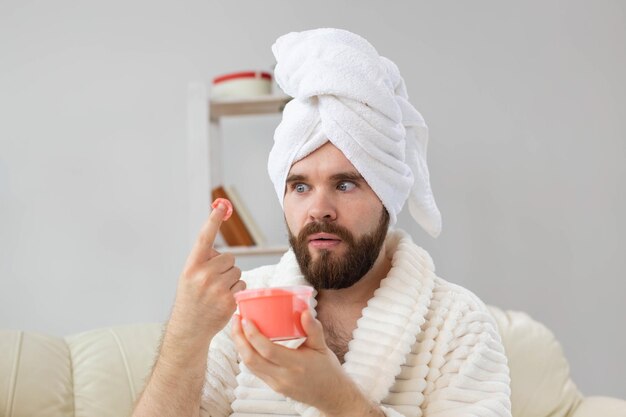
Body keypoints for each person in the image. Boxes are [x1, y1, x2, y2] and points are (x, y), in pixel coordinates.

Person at [132, 28, 512, 417]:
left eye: (345, 184)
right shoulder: (243, 305)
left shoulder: (457, 323)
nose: (319, 209)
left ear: (388, 196)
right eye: (299, 186)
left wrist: (337, 400)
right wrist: (185, 334)